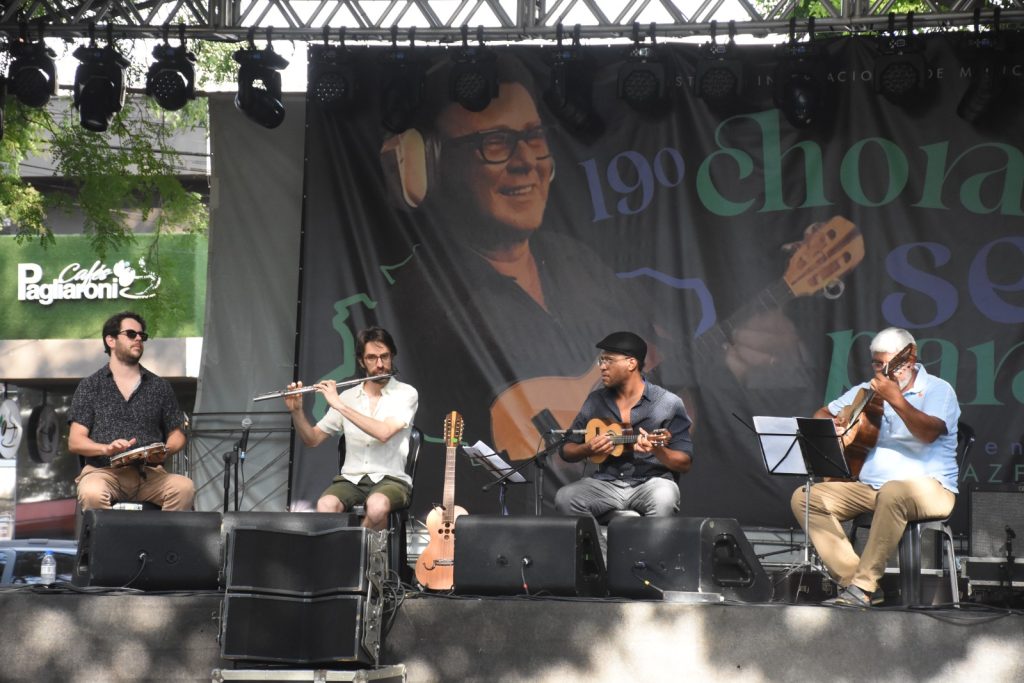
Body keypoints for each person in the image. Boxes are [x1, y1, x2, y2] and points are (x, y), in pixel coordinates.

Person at [790, 327, 960, 607]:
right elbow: (822, 413)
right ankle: (853, 581)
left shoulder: (938, 390)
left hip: (931, 488)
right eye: (877, 363)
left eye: (889, 363)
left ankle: (863, 587)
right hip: (870, 487)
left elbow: (929, 432)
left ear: (910, 357)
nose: (884, 370)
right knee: (806, 497)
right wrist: (833, 426)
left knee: (893, 492)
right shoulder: (866, 391)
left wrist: (896, 399)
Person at [285, 326, 418, 530]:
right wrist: (297, 411)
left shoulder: (406, 394)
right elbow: (312, 439)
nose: (380, 364)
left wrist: (339, 405)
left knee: (376, 506)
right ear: (361, 361)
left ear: (392, 356)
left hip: (392, 479)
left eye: (385, 356)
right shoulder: (348, 397)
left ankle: (361, 556)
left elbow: (384, 433)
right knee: (325, 505)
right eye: (372, 358)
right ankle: (341, 556)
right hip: (351, 479)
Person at [555, 331, 693, 519]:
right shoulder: (596, 400)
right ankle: (602, 547)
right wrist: (587, 448)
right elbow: (566, 449)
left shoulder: (668, 403)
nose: (602, 367)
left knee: (665, 496)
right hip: (606, 483)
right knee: (566, 497)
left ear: (631, 363)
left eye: (609, 360)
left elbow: (684, 463)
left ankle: (643, 547)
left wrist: (657, 451)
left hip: (651, 482)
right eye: (601, 361)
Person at [69, 311, 194, 511]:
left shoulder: (159, 386)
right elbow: (75, 441)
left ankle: (163, 542)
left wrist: (163, 452)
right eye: (130, 334)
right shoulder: (90, 386)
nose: (138, 339)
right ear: (110, 340)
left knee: (183, 487)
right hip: (104, 473)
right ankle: (108, 542)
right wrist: (106, 449)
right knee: (92, 491)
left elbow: (177, 436)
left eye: (141, 336)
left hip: (149, 474)